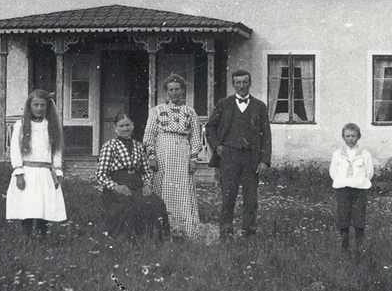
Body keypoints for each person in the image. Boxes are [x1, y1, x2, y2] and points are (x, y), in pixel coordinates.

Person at [205, 69, 272, 238]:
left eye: (244, 82)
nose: (241, 86)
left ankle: (248, 233)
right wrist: (217, 146)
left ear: (250, 83)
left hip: (252, 158)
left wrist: (264, 160)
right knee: (228, 197)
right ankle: (226, 234)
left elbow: (266, 135)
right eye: (238, 83)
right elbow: (210, 127)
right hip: (229, 157)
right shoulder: (224, 104)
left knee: (251, 199)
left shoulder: (259, 106)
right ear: (233, 84)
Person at [143, 73, 205, 240]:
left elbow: (195, 137)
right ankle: (163, 228)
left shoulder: (190, 112)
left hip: (183, 151)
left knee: (183, 188)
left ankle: (184, 229)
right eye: (171, 90)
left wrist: (193, 158)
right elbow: (149, 135)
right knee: (163, 187)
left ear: (183, 91)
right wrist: (151, 156)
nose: (174, 93)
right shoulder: (156, 111)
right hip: (163, 151)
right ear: (166, 92)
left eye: (177, 89)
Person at [96, 113, 168, 240]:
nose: (125, 129)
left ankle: (153, 239)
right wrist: (116, 187)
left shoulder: (139, 146)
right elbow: (101, 175)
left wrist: (147, 185)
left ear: (133, 126)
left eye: (127, 125)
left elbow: (146, 171)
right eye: (121, 126)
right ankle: (127, 240)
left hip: (136, 185)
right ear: (115, 128)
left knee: (157, 203)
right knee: (131, 204)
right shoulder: (109, 146)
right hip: (118, 186)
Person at [6, 89, 67, 236]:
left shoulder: (51, 125)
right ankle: (27, 237)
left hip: (45, 172)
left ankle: (42, 236)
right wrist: (19, 172)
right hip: (28, 171)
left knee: (43, 205)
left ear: (47, 107)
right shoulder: (20, 125)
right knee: (27, 205)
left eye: (42, 105)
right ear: (29, 106)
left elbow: (56, 150)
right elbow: (15, 149)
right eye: (36, 105)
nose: (39, 108)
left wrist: (57, 170)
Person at [330, 122, 374, 250]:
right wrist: (343, 181)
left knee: (359, 216)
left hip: (359, 189)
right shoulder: (338, 154)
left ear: (358, 137)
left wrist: (358, 181)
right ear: (343, 137)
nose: (351, 139)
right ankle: (345, 247)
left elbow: (369, 172)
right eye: (348, 136)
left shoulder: (365, 154)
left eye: (353, 136)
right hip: (343, 189)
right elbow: (334, 171)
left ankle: (359, 246)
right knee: (343, 216)